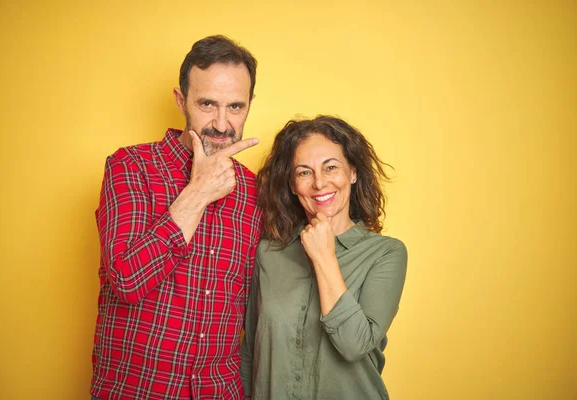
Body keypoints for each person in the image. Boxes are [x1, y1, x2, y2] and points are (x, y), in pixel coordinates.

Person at [90, 35, 262, 400]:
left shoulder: (255, 192)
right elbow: (127, 279)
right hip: (137, 392)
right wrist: (198, 192)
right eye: (206, 104)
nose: (221, 123)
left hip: (220, 391)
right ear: (181, 100)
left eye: (235, 106)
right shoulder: (131, 167)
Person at [241, 115, 408, 399]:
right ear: (293, 185)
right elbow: (250, 353)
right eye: (304, 172)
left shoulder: (386, 254)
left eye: (331, 168)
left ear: (352, 173)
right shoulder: (269, 252)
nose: (320, 183)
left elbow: (355, 345)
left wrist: (324, 257)